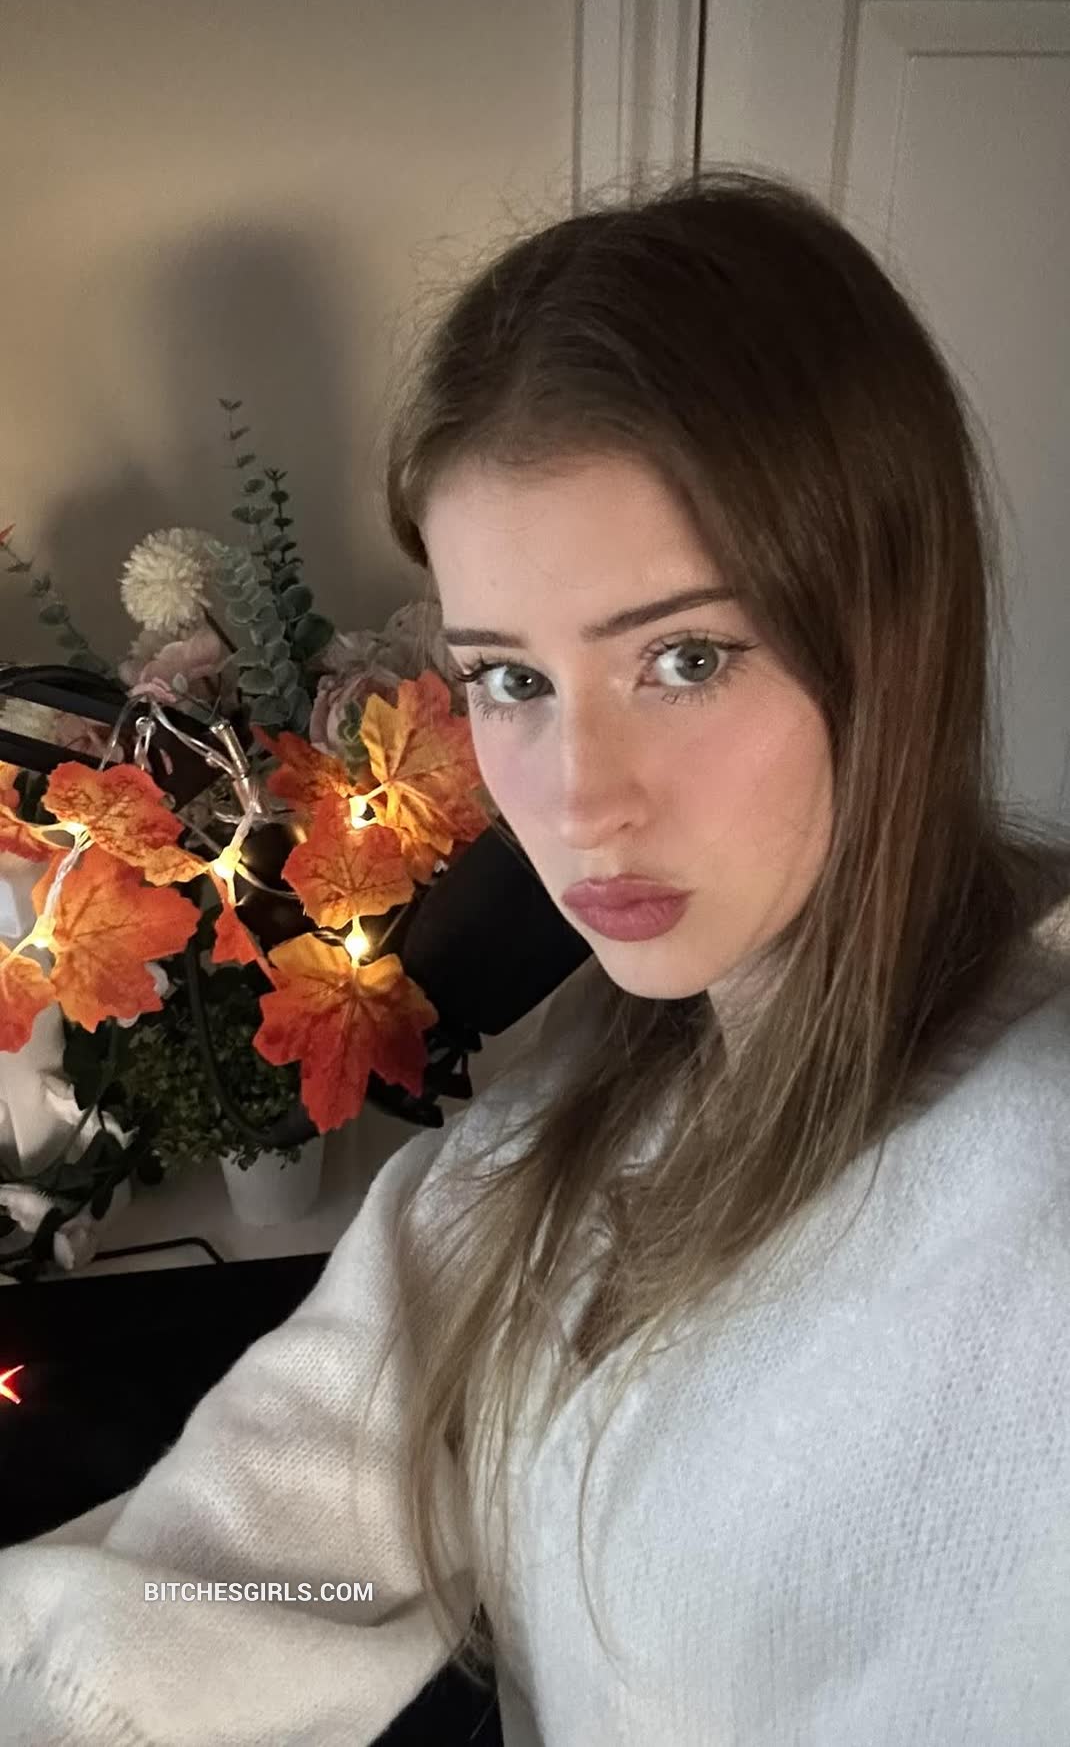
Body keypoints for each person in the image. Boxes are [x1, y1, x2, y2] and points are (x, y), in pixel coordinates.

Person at [3, 162, 1070, 1745]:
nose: (577, 802)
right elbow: (256, 1572)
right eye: (510, 679)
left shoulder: (1030, 1197)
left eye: (683, 658)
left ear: (891, 640)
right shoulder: (584, 1094)